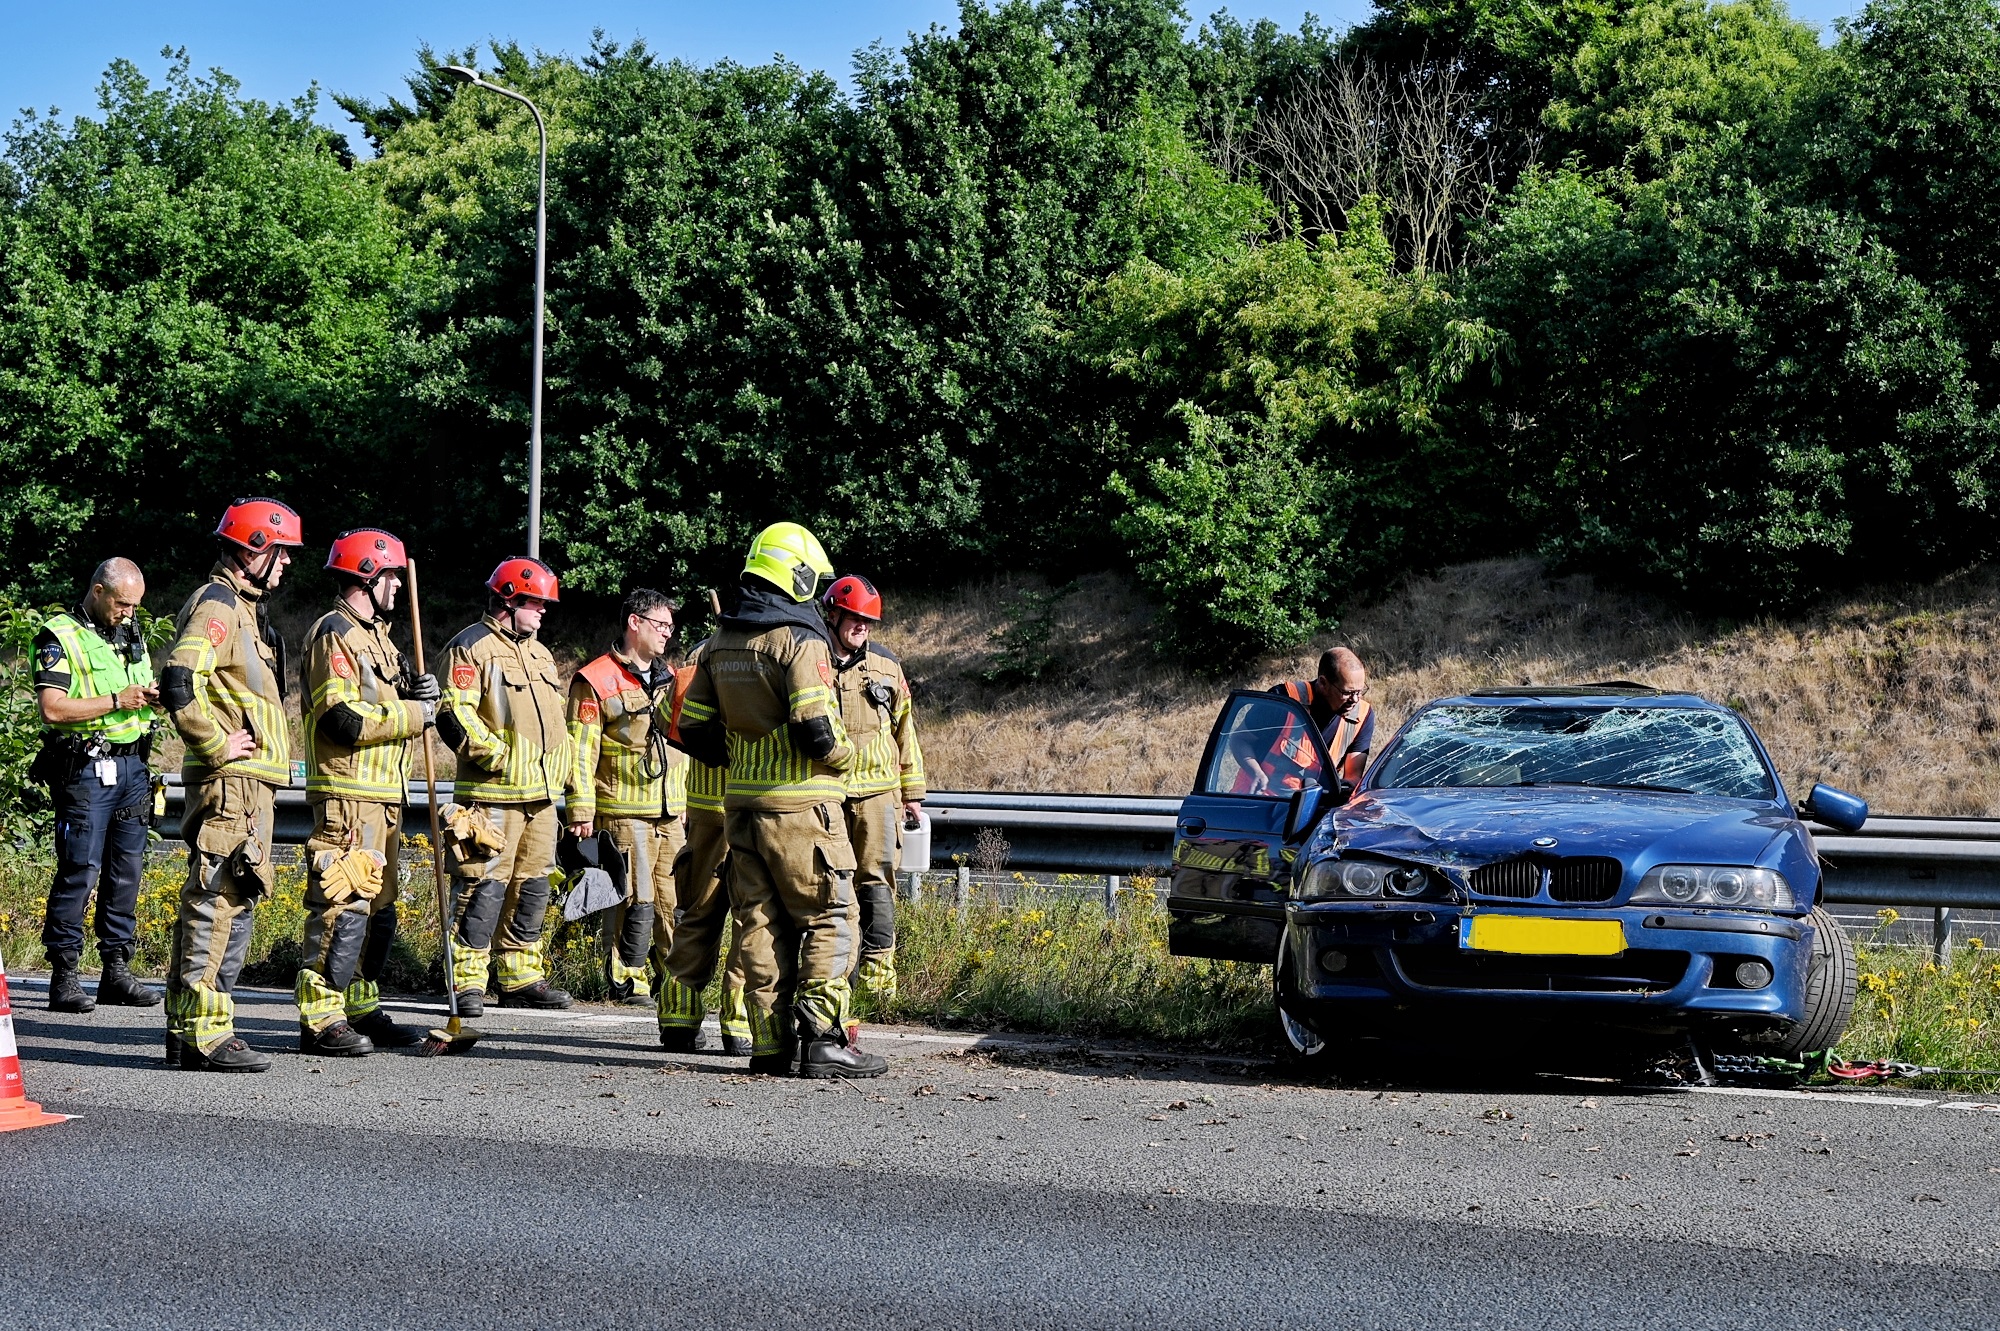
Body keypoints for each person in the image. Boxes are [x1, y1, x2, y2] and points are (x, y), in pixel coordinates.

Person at [675, 522, 886, 1078]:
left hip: (740, 808)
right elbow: (817, 729)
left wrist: (744, 760)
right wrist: (844, 760)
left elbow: (691, 729)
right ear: (793, 576)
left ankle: (770, 1046)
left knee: (760, 923)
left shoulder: (719, 641)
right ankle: (824, 1040)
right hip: (803, 808)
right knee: (830, 917)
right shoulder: (800, 639)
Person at [158, 498, 304, 1072]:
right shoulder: (218, 605)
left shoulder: (244, 610)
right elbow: (178, 680)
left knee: (233, 899)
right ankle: (202, 1033)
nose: (288, 565)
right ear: (253, 548)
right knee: (218, 901)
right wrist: (217, 744)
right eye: (282, 554)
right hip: (232, 783)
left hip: (250, 784)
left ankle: (196, 1028)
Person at [294, 529, 440, 1057]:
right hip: (348, 794)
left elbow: (398, 704)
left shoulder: (378, 635)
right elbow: (343, 719)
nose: (399, 585)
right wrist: (411, 713)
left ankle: (360, 1004)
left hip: (385, 795)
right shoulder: (335, 634)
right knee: (343, 905)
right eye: (392, 576)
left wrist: (425, 695)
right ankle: (321, 1018)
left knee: (380, 910)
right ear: (366, 575)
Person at [435, 556, 574, 1012]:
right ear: (508, 599)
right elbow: (453, 714)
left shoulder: (539, 652)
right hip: (492, 795)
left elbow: (554, 723)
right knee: (482, 887)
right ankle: (468, 981)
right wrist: (498, 757)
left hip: (541, 798)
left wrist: (565, 769)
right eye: (536, 601)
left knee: (533, 886)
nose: (544, 610)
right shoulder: (470, 647)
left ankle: (519, 975)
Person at [30, 557, 162, 1013]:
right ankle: (64, 975)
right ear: (99, 591)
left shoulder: (130, 632)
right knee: (80, 871)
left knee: (126, 873)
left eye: (136, 606)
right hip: (86, 768)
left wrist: (150, 699)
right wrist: (115, 700)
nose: (129, 612)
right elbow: (53, 709)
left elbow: (136, 690)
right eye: (123, 604)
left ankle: (116, 971)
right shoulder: (59, 635)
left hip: (131, 768)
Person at [565, 589, 684, 1008]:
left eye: (671, 626)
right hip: (622, 806)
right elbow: (580, 750)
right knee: (638, 898)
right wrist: (581, 808)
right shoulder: (595, 679)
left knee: (674, 901)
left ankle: (675, 979)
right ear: (635, 623)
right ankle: (627, 977)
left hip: (669, 809)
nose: (668, 633)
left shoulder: (672, 678)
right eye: (661, 624)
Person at [822, 575, 925, 1007]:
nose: (861, 627)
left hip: (879, 794)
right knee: (832, 885)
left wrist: (912, 793)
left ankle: (879, 975)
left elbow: (906, 731)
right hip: (827, 792)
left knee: (877, 883)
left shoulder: (886, 667)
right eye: (854, 619)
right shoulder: (811, 662)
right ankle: (834, 973)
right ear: (834, 614)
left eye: (868, 620)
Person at [655, 635, 752, 1055]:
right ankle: (739, 1025)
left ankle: (678, 1019)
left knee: (696, 915)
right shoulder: (769, 652)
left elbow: (665, 718)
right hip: (752, 801)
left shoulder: (701, 655)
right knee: (753, 919)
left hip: (705, 807)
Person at [1231, 647, 1375, 794]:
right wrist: (1256, 773)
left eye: (1360, 691)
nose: (1355, 700)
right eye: (1347, 692)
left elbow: (1353, 777)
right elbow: (1239, 740)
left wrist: (1346, 788)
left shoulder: (1362, 716)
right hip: (1257, 801)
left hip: (1308, 808)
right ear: (1323, 683)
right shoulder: (1284, 700)